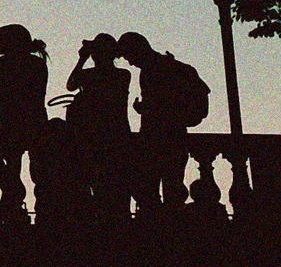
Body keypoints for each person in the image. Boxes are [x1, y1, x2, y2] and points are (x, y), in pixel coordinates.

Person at [118, 31, 210, 211]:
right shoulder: (169, 67)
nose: (129, 62)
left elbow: (163, 104)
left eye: (129, 56)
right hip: (170, 139)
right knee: (168, 192)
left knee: (156, 193)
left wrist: (149, 109)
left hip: (161, 140)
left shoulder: (157, 70)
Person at [61, 34, 131, 215]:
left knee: (97, 184)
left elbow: (70, 85)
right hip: (115, 136)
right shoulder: (123, 75)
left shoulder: (92, 75)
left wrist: (81, 59)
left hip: (94, 136)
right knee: (113, 188)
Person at [0, 24, 49, 215]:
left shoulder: (3, 64)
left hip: (18, 118)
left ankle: (11, 192)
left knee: (6, 154)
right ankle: (13, 192)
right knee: (27, 161)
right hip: (32, 118)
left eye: (2, 39)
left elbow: (2, 97)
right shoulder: (38, 64)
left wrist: (7, 119)